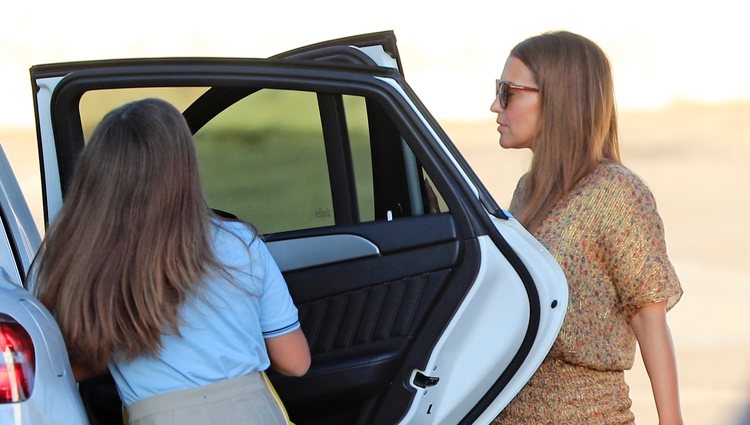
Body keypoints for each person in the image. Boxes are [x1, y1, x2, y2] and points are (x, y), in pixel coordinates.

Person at [30, 98, 310, 425]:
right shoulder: (239, 243)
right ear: (186, 168)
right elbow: (295, 362)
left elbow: (68, 366)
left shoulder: (84, 259)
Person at [490, 31, 683, 424]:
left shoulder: (617, 192)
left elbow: (649, 316)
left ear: (559, 99)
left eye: (508, 91)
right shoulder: (528, 190)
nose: (495, 105)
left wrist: (672, 420)